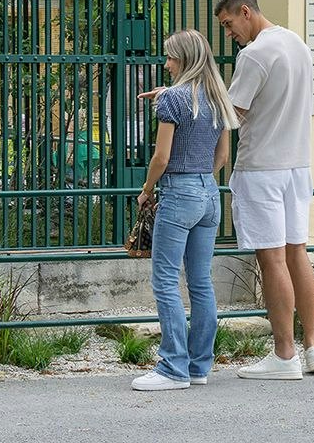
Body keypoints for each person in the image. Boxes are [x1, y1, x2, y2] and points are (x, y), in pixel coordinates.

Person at [215, 0, 314, 381]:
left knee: (272, 259)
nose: (229, 34)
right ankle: (313, 346)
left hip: (262, 167)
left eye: (229, 24)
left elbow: (233, 114)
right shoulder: (297, 44)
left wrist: (182, 96)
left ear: (246, 12)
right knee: (297, 253)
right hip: (298, 164)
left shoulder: (255, 55)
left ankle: (284, 355)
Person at [130, 28, 239, 391]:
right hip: (209, 194)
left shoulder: (172, 101)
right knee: (201, 282)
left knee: (164, 280)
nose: (166, 62)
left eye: (171, 57)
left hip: (178, 192)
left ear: (186, 59)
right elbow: (222, 157)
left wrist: (147, 191)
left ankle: (172, 367)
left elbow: (161, 158)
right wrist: (200, 179)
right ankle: (197, 366)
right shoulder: (218, 97)